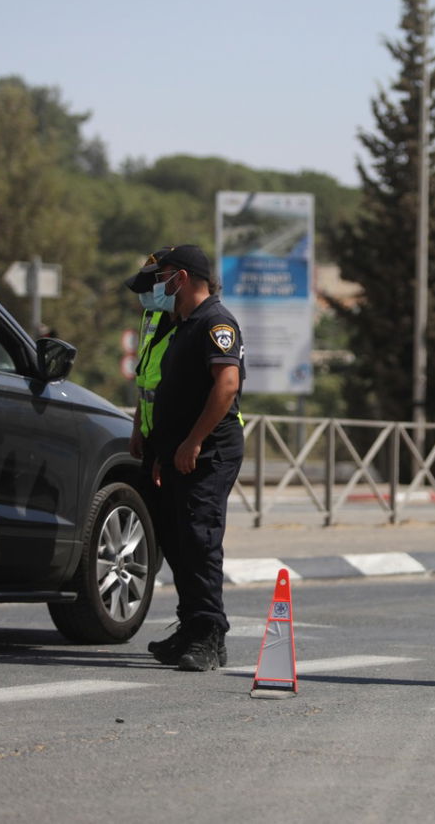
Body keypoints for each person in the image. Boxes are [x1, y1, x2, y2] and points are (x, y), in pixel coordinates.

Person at [124, 244, 245, 672]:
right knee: (175, 540)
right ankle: (192, 625)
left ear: (182, 277)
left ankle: (210, 635)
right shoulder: (174, 324)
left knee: (199, 539)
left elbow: (226, 385)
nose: (155, 289)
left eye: (161, 278)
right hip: (173, 448)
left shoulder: (215, 322)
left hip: (208, 449)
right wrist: (150, 438)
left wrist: (193, 442)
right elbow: (156, 385)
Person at [124, 248, 178, 658]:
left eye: (150, 288)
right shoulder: (152, 316)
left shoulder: (192, 320)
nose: (144, 297)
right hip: (152, 433)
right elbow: (147, 380)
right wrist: (137, 426)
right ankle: (190, 622)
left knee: (189, 539)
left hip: (180, 440)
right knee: (166, 536)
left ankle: (202, 628)